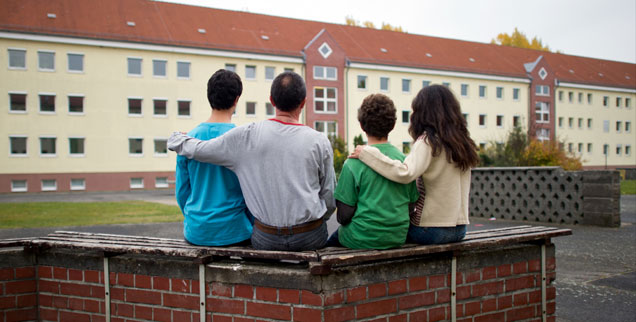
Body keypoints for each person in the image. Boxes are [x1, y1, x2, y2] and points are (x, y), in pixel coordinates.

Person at [169, 71, 336, 251]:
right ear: (303, 102)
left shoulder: (247, 136)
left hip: (250, 235)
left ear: (271, 100)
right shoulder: (319, 141)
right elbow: (329, 197)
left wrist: (177, 139)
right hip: (300, 235)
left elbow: (198, 156)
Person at [350, 85, 480, 245]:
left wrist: (368, 154)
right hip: (459, 230)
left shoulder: (428, 141)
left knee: (388, 235)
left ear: (423, 112)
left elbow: (406, 173)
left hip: (431, 229)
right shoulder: (462, 143)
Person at [327, 94, 419, 249]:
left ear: (362, 125)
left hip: (360, 237)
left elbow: (343, 217)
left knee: (327, 245)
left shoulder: (353, 162)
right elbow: (411, 207)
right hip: (397, 237)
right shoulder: (405, 162)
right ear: (393, 124)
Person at [175, 69, 253, 246]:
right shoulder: (243, 141)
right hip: (235, 230)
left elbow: (182, 192)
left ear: (209, 96)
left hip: (197, 231)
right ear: (236, 99)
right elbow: (251, 193)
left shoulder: (187, 140)